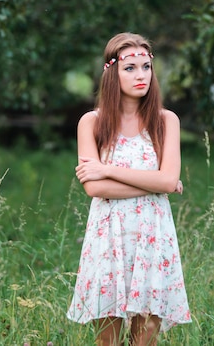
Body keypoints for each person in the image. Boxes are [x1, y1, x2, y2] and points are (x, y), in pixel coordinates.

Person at [67, 32, 191, 346]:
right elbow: (94, 188)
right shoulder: (91, 123)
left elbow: (164, 179)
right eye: (130, 68)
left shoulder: (166, 121)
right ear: (112, 72)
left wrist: (107, 170)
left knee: (145, 340)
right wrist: (156, 183)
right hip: (108, 239)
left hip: (153, 238)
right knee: (107, 341)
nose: (141, 75)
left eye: (146, 67)